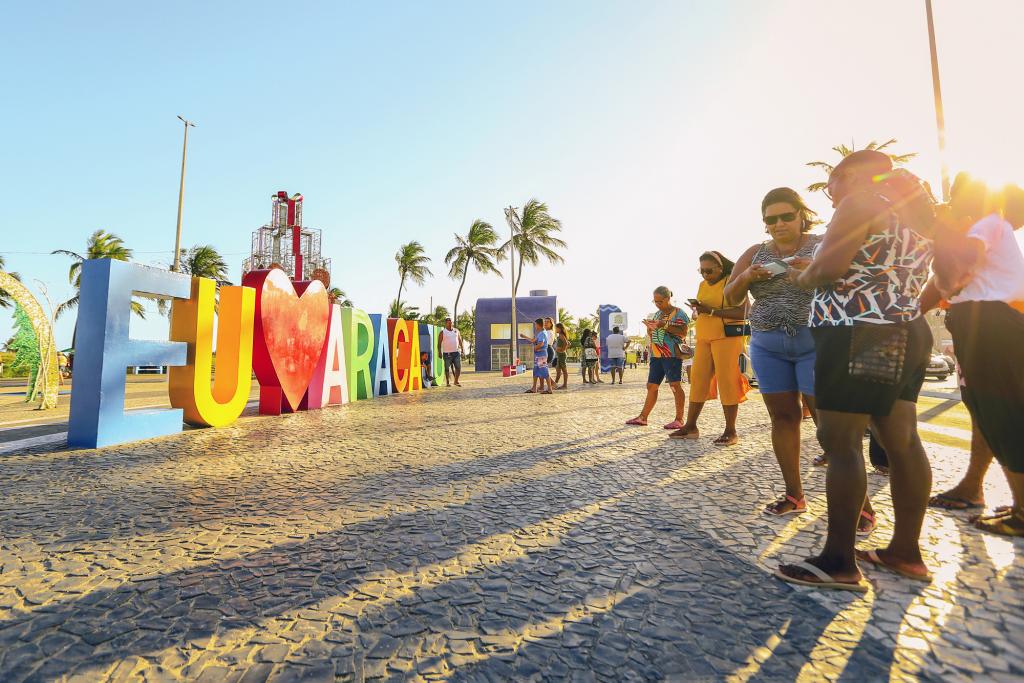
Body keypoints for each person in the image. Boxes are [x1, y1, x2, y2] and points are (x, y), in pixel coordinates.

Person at [777, 151, 937, 591]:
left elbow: (830, 269)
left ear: (847, 176)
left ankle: (839, 561)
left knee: (841, 440)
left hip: (857, 327)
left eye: (831, 186)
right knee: (901, 439)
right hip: (906, 326)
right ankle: (906, 552)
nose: (830, 197)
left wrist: (802, 276)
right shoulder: (917, 213)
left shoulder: (861, 200)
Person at [934, 173, 1024, 536]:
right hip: (983, 321)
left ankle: (1022, 511)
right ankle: (980, 490)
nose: (952, 200)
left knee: (1000, 412)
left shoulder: (987, 224)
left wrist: (939, 229)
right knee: (983, 408)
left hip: (990, 322)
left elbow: (953, 277)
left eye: (958, 194)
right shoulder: (987, 226)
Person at [724, 188, 823, 511]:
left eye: (786, 216)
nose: (779, 224)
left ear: (800, 215)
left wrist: (812, 268)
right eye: (771, 219)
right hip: (768, 342)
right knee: (783, 417)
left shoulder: (821, 243)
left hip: (814, 340)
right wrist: (748, 276)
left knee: (829, 422)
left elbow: (844, 280)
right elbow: (731, 297)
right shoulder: (755, 252)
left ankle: (859, 504)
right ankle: (794, 495)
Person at [669, 251, 748, 446]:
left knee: (728, 381)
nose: (705, 275)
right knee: (698, 380)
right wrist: (697, 311)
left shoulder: (733, 281)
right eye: (701, 271)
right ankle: (691, 426)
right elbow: (703, 311)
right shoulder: (702, 285)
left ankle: (731, 431)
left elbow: (745, 311)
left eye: (709, 271)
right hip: (704, 337)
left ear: (721, 268)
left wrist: (711, 311)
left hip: (726, 338)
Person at [626, 286, 690, 427]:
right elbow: (653, 334)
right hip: (656, 354)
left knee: (674, 385)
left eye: (660, 301)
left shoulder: (679, 313)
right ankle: (643, 417)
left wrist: (664, 325)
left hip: (671, 354)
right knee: (651, 386)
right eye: (655, 301)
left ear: (668, 298)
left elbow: (683, 332)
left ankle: (679, 419)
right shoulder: (656, 314)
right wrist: (650, 329)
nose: (657, 304)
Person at [520, 318, 553, 394]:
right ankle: (534, 388)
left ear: (538, 325)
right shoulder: (541, 333)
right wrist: (524, 336)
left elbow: (541, 343)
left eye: (535, 325)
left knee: (544, 371)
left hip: (541, 355)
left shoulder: (542, 333)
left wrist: (535, 348)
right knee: (535, 371)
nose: (535, 326)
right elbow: (533, 340)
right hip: (538, 355)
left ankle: (549, 389)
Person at [438, 318, 464, 387]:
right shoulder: (442, 332)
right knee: (447, 368)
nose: (450, 324)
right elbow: (439, 343)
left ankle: (456, 381)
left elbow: (460, 340)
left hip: (456, 352)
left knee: (458, 367)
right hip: (447, 353)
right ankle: (448, 382)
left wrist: (462, 349)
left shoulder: (456, 331)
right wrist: (439, 352)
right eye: (448, 323)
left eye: (451, 323)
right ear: (446, 323)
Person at [553, 322, 570, 389]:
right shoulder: (560, 335)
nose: (555, 329)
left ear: (560, 328)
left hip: (562, 355)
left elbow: (566, 343)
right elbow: (569, 343)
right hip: (559, 355)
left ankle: (564, 385)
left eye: (556, 328)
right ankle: (555, 384)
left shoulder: (561, 335)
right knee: (558, 371)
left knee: (564, 370)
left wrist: (562, 349)